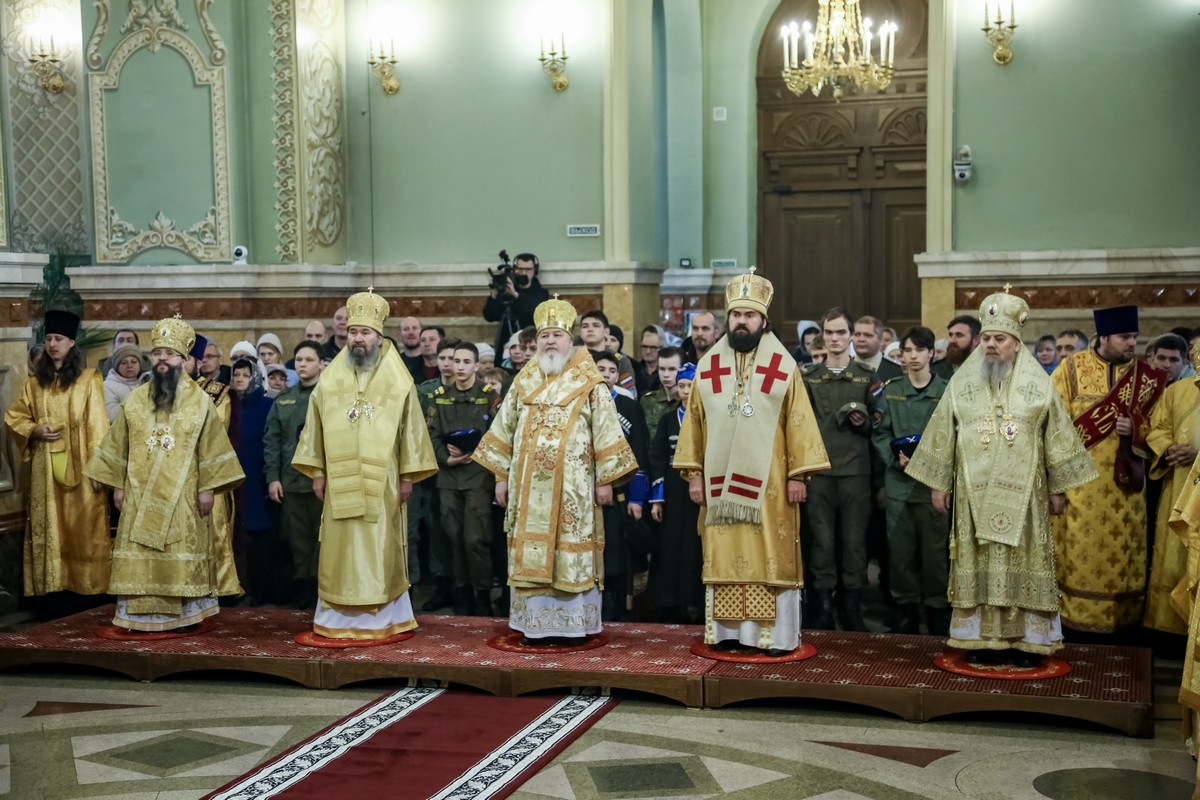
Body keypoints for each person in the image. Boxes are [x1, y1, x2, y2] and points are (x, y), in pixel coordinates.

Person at [906, 289, 1096, 667]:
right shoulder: (961, 383)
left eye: (1000, 339)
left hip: (1025, 499)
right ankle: (980, 639)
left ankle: (1026, 641)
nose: (991, 345)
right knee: (978, 564)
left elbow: (1056, 434)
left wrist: (1059, 488)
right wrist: (939, 483)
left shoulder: (1039, 384)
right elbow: (943, 432)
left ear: (1015, 341)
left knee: (1022, 562)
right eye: (987, 338)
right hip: (973, 499)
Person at [674, 268, 829, 655]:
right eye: (736, 315)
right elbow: (695, 424)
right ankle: (728, 635)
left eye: (749, 316)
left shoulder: (783, 366)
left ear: (763, 320)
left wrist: (799, 475)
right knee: (726, 554)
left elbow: (800, 422)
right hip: (718, 487)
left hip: (772, 487)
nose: (741, 322)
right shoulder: (708, 367)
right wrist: (694, 474)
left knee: (768, 557)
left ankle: (772, 638)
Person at [473, 296, 637, 646]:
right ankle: (534, 625)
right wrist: (501, 477)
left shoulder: (589, 380)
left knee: (569, 554)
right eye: (544, 335)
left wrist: (606, 480)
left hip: (574, 491)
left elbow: (606, 430)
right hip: (527, 490)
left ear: (570, 339)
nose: (550, 341)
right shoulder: (524, 380)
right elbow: (504, 431)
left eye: (556, 335)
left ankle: (573, 626)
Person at [292, 289, 437, 640]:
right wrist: (319, 470)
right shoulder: (331, 378)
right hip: (339, 480)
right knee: (341, 546)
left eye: (365, 333)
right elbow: (315, 425)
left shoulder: (398, 378)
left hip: (383, 480)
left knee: (380, 543)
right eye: (354, 332)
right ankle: (338, 617)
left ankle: (383, 616)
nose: (359, 338)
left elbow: (411, 430)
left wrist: (407, 476)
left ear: (378, 335)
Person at [85, 315, 245, 631]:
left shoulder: (200, 401)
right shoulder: (136, 399)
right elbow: (119, 443)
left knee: (179, 552)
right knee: (140, 552)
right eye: (158, 352)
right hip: (139, 495)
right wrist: (117, 485)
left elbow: (212, 448)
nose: (162, 359)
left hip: (184, 497)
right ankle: (138, 614)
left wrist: (207, 488)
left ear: (183, 359)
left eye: (170, 354)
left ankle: (183, 614)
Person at [1052, 304, 1165, 634]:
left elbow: (1161, 427)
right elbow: (1053, 426)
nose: (1131, 343)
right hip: (1078, 490)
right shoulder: (1070, 370)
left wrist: (1138, 430)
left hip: (1125, 490)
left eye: (1134, 337)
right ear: (1103, 337)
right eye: (1124, 337)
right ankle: (1072, 627)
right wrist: (1054, 484)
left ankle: (1123, 628)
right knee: (1075, 558)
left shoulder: (1145, 378)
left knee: (1124, 560)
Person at [5, 309, 111, 601]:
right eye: (49, 338)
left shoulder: (89, 380)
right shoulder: (34, 384)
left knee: (83, 526)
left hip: (83, 470)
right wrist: (34, 430)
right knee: (51, 527)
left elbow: (98, 428)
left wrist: (100, 471)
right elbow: (15, 416)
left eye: (59, 338)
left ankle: (87, 593)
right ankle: (51, 594)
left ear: (71, 343)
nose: (52, 344)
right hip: (45, 472)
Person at [801, 307, 881, 631]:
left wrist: (865, 420)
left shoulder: (867, 377)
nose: (835, 339)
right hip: (819, 474)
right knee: (821, 544)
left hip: (855, 473)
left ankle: (852, 608)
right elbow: (798, 425)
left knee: (854, 544)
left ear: (850, 336)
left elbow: (882, 421)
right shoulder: (809, 378)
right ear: (823, 336)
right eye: (829, 333)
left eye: (841, 333)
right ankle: (821, 607)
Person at [870, 326, 950, 635]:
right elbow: (879, 433)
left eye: (918, 350)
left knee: (934, 554)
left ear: (931, 353)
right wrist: (895, 457)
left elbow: (952, 435)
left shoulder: (945, 391)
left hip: (933, 485)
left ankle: (937, 611)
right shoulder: (890, 390)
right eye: (907, 350)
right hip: (900, 484)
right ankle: (905, 612)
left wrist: (933, 463)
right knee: (901, 553)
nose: (912, 356)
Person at [427, 342, 499, 616]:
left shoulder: (489, 396)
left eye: (466, 362)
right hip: (448, 476)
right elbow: (430, 433)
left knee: (475, 539)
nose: (459, 367)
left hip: (478, 475)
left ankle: (482, 594)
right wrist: (446, 458)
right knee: (453, 538)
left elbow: (499, 433)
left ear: (477, 366)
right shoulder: (439, 396)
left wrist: (477, 451)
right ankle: (461, 593)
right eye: (456, 361)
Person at [1143, 339, 1200, 635]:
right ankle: (1168, 628)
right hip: (1177, 483)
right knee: (1172, 557)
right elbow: (1158, 427)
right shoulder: (1178, 391)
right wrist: (1168, 449)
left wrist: (1197, 454)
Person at [264, 341, 325, 609]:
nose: (302, 364)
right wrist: (273, 478)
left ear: (321, 364)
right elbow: (272, 442)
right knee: (298, 539)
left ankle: (322, 586)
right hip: (291, 481)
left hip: (323, 482)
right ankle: (304, 585)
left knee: (322, 538)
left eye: (309, 360)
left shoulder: (329, 396)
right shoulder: (285, 398)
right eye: (298, 359)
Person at [592, 350, 650, 621]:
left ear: (618, 375)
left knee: (617, 550)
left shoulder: (630, 407)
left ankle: (616, 603)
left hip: (621, 493)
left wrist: (638, 498)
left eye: (611, 371)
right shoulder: (581, 406)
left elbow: (640, 454)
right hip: (586, 494)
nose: (605, 375)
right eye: (600, 369)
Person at [648, 362, 702, 623]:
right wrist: (657, 498)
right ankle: (669, 602)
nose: (685, 390)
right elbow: (656, 457)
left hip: (697, 487)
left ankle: (694, 600)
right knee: (670, 546)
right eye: (681, 385)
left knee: (694, 545)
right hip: (672, 487)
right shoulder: (668, 419)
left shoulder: (707, 419)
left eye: (690, 385)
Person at [230, 358, 282, 605]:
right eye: (236, 374)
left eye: (245, 374)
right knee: (234, 536)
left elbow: (273, 443)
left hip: (258, 480)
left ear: (256, 377)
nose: (239, 378)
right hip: (233, 481)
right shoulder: (226, 406)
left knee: (260, 538)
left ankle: (261, 592)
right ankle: (238, 588)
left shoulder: (268, 405)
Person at [483, 252, 550, 356]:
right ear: (514, 270)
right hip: (506, 345)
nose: (524, 272)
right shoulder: (506, 289)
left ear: (535, 270)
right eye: (520, 269)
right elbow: (490, 316)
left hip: (531, 346)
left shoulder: (541, 293)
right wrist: (494, 295)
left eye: (528, 269)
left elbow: (535, 313)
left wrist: (515, 295)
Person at [579, 310, 637, 398]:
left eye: (596, 325)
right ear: (580, 332)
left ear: (606, 332)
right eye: (585, 326)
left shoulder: (620, 360)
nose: (590, 329)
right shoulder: (573, 358)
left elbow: (630, 393)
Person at [641, 346, 682, 439]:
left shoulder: (688, 401)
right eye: (662, 369)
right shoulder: (647, 401)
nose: (666, 375)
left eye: (672, 369)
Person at [103, 344, 148, 422]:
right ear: (117, 366)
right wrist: (137, 398)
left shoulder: (146, 382)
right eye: (124, 363)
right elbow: (110, 415)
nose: (129, 365)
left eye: (134, 362)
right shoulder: (107, 386)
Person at [854, 315, 902, 381]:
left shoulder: (897, 372)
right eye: (857, 334)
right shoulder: (842, 368)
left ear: (881, 340)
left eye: (868, 335)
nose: (861, 339)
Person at [635, 325, 662, 395]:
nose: (648, 351)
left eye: (653, 347)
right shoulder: (635, 369)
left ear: (662, 348)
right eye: (644, 346)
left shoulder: (667, 372)